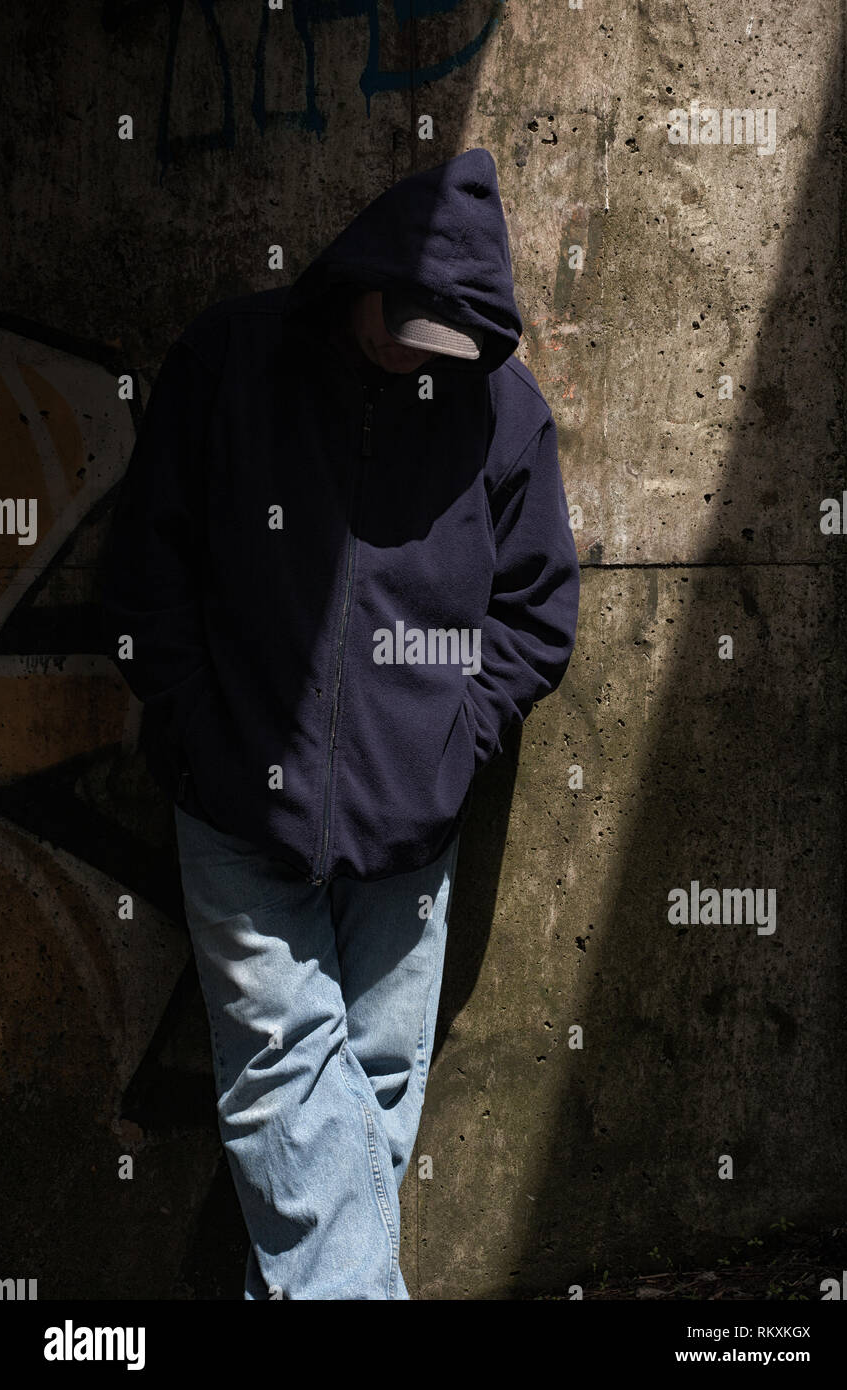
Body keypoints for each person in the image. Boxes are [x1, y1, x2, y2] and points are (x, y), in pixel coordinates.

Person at [100, 146, 580, 1299]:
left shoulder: (502, 417)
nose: (411, 358)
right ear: (361, 274)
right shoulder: (233, 360)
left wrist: (450, 748)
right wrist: (201, 732)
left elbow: (535, 611)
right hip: (237, 808)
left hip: (408, 828)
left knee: (369, 1088)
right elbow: (147, 566)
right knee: (281, 1083)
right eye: (398, 328)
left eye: (442, 348)